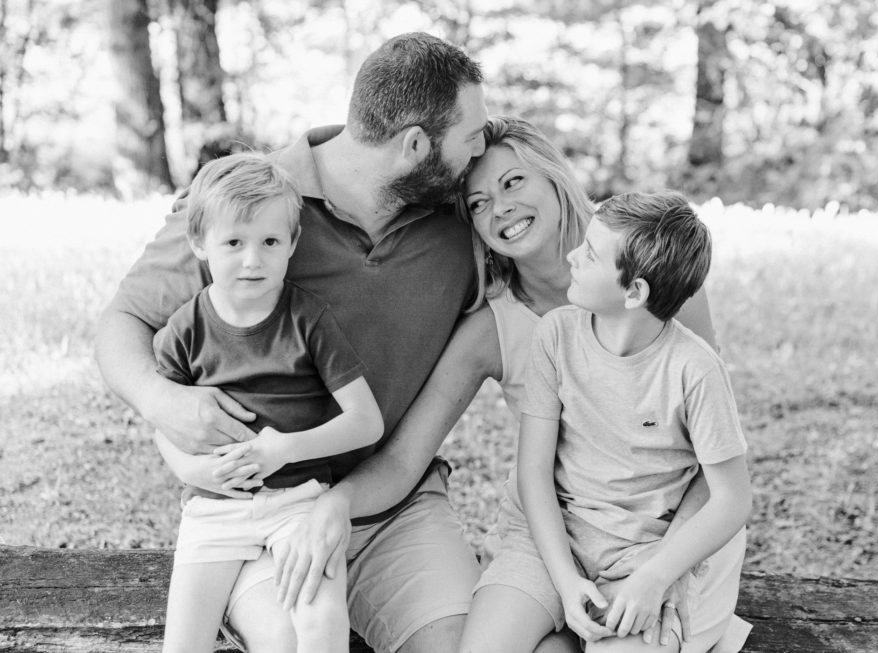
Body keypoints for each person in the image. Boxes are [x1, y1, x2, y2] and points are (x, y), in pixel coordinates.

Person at [97, 32, 489, 653]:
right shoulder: (252, 202)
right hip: (262, 509)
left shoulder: (467, 222)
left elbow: (565, 248)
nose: (481, 152)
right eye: (472, 139)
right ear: (414, 145)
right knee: (289, 640)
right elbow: (123, 321)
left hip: (396, 507)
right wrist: (161, 403)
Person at [307, 117, 749, 653]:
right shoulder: (501, 327)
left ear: (552, 177)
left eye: (513, 182)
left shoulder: (655, 277)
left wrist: (664, 569)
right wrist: (339, 500)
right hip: (553, 534)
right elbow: (406, 461)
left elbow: (711, 460)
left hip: (668, 531)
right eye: (477, 203)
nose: (500, 208)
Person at [486, 190, 753, 653]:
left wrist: (656, 576)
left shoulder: (695, 369)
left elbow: (732, 498)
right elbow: (533, 472)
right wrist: (568, 583)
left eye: (589, 252)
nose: (571, 255)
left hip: (640, 554)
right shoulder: (556, 335)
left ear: (634, 291)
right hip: (552, 538)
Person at [152, 153, 384, 653]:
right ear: (199, 243)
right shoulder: (184, 330)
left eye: (270, 242)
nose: (252, 260)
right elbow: (162, 426)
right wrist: (194, 472)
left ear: (292, 244)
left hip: (298, 502)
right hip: (216, 509)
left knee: (321, 623)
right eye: (233, 242)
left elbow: (366, 422)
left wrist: (285, 450)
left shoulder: (308, 319)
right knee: (183, 644)